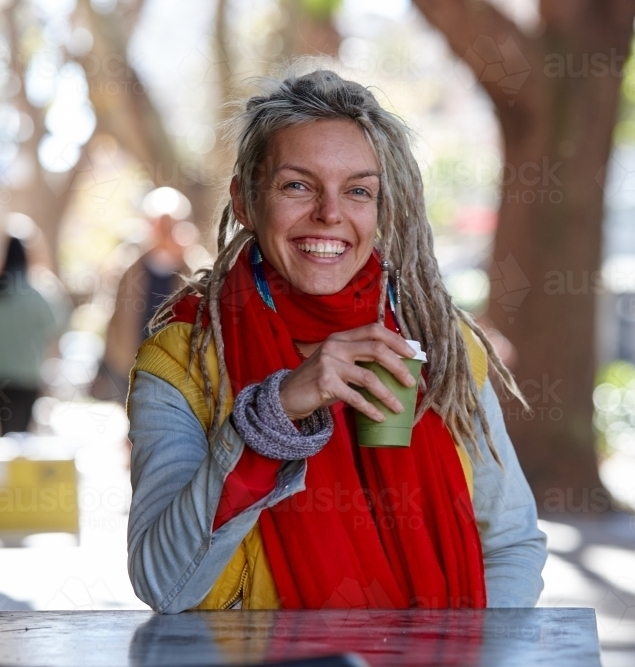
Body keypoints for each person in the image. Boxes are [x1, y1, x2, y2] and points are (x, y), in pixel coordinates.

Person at [126, 70, 547, 613]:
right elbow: (165, 585)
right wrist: (269, 418)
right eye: (297, 185)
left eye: (358, 191)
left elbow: (511, 543)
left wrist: (475, 652)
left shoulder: (442, 344)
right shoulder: (182, 362)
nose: (330, 213)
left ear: (381, 206)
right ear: (246, 198)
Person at [93, 187, 194, 402]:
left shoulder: (193, 269)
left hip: (175, 367)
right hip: (131, 363)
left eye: (172, 224)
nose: (166, 231)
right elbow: (115, 317)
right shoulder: (128, 266)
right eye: (160, 224)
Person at [0, 235, 58, 435]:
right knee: (21, 434)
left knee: (2, 432)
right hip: (27, 373)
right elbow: (53, 325)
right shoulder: (36, 295)